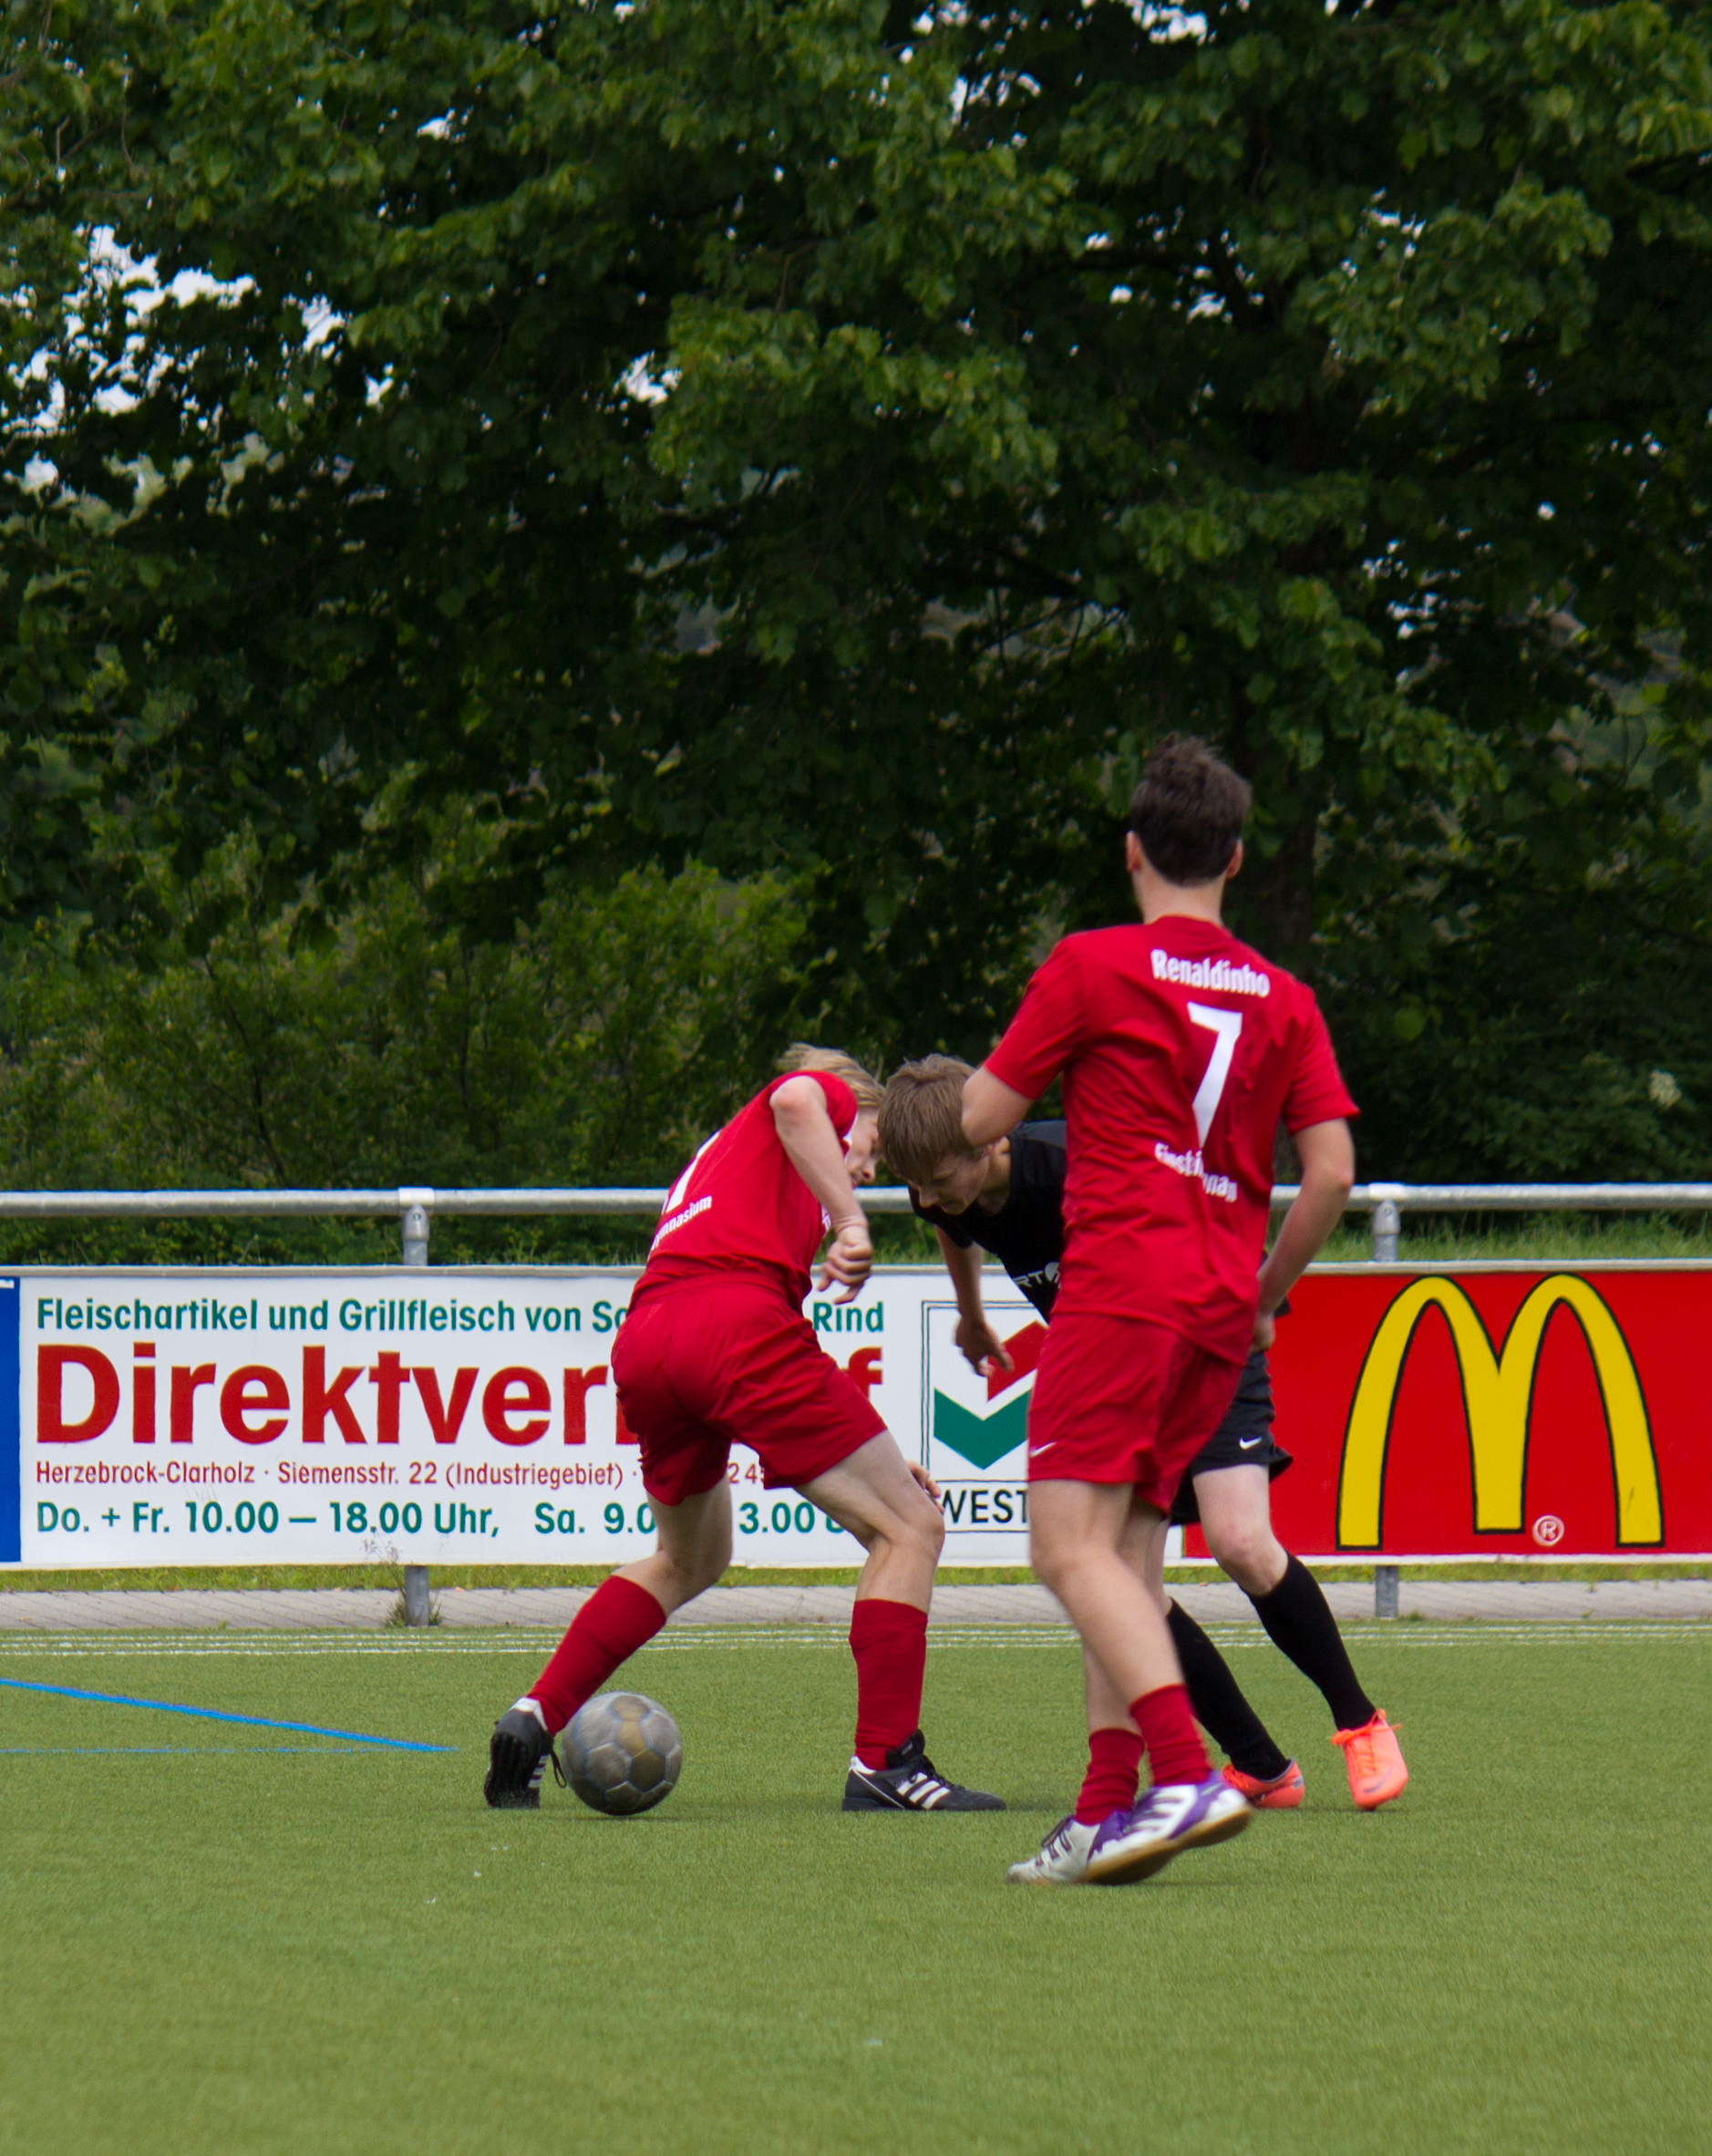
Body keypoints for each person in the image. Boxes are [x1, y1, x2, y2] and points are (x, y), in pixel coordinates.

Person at [959, 735, 1361, 1885]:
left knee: (1063, 1547)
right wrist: (1264, 1298)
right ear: (1234, 858)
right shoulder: (1286, 997)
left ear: (1131, 851)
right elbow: (1330, 1173)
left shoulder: (1092, 966)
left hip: (1121, 1289)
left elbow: (981, 1118)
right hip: (1215, 1312)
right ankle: (1103, 1807)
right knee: (1128, 1552)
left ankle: (1185, 1772)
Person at [878, 1057, 1408, 1821]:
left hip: (1208, 1331)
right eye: (915, 1185)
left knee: (1240, 1541)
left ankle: (1362, 1724)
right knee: (1127, 1587)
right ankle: (1260, 1765)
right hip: (1123, 1372)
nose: (926, 1198)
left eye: (936, 1181)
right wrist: (970, 1312)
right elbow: (953, 1225)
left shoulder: (1082, 1166)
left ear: (992, 1140)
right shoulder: (945, 1182)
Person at [485, 1045, 1004, 1816]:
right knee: (911, 1527)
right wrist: (850, 1220)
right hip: (733, 1326)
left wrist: (884, 1460)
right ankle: (885, 1762)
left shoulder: (726, 1157)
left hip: (651, 1336)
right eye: (869, 1147)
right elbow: (796, 1100)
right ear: (852, 1107)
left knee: (688, 1558)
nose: (868, 1169)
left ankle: (534, 1717)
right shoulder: (816, 1099)